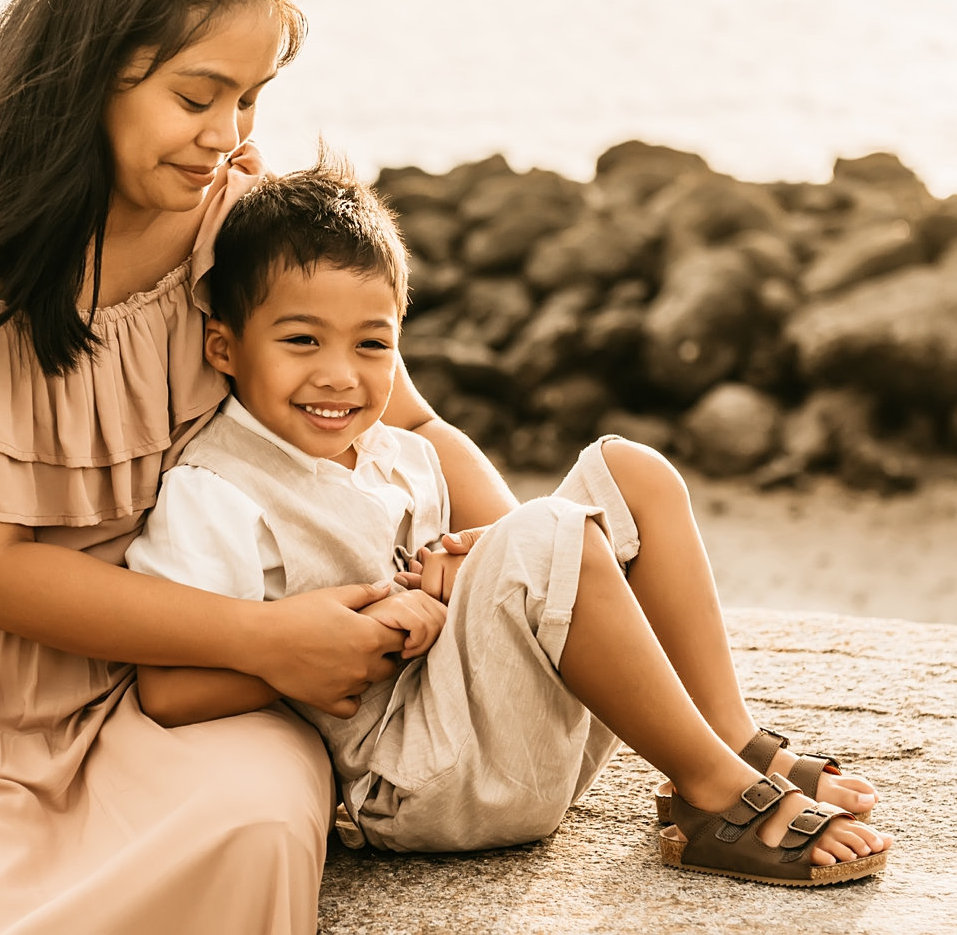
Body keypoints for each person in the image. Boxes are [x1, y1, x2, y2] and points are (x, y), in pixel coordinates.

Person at [0, 0, 519, 933]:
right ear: (86, 70)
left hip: (174, 669)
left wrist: (506, 554)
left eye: (252, 99)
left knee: (259, 819)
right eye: (197, 97)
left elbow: (409, 419)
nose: (227, 135)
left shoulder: (231, 223)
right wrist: (267, 637)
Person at [123, 154, 895, 884]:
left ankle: (726, 738)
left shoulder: (396, 453)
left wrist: (467, 568)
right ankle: (717, 794)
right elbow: (169, 691)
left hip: (500, 730)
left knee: (630, 470)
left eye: (372, 346)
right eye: (301, 342)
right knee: (545, 531)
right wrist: (373, 636)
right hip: (414, 780)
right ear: (224, 348)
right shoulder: (218, 490)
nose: (339, 375)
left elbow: (502, 565)